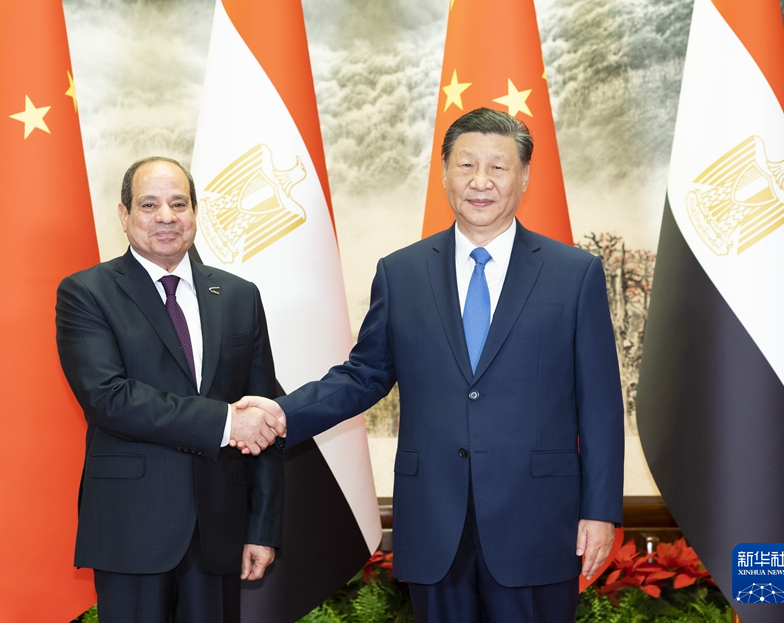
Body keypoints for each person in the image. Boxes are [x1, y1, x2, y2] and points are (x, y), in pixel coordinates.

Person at [237, 108, 624, 622]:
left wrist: (600, 511)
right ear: (444, 173)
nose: (480, 181)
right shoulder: (402, 272)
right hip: (436, 520)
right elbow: (364, 374)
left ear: (525, 176)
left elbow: (600, 405)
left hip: (538, 521)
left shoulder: (574, 274)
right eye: (466, 165)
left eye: (498, 167)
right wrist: (283, 413)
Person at [56, 157, 286, 623]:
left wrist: (261, 527)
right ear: (124, 215)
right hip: (132, 528)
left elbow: (263, 413)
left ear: (195, 213)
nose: (166, 216)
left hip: (219, 530)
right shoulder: (87, 293)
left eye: (179, 204)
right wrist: (226, 422)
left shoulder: (239, 296)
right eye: (149, 205)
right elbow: (108, 398)